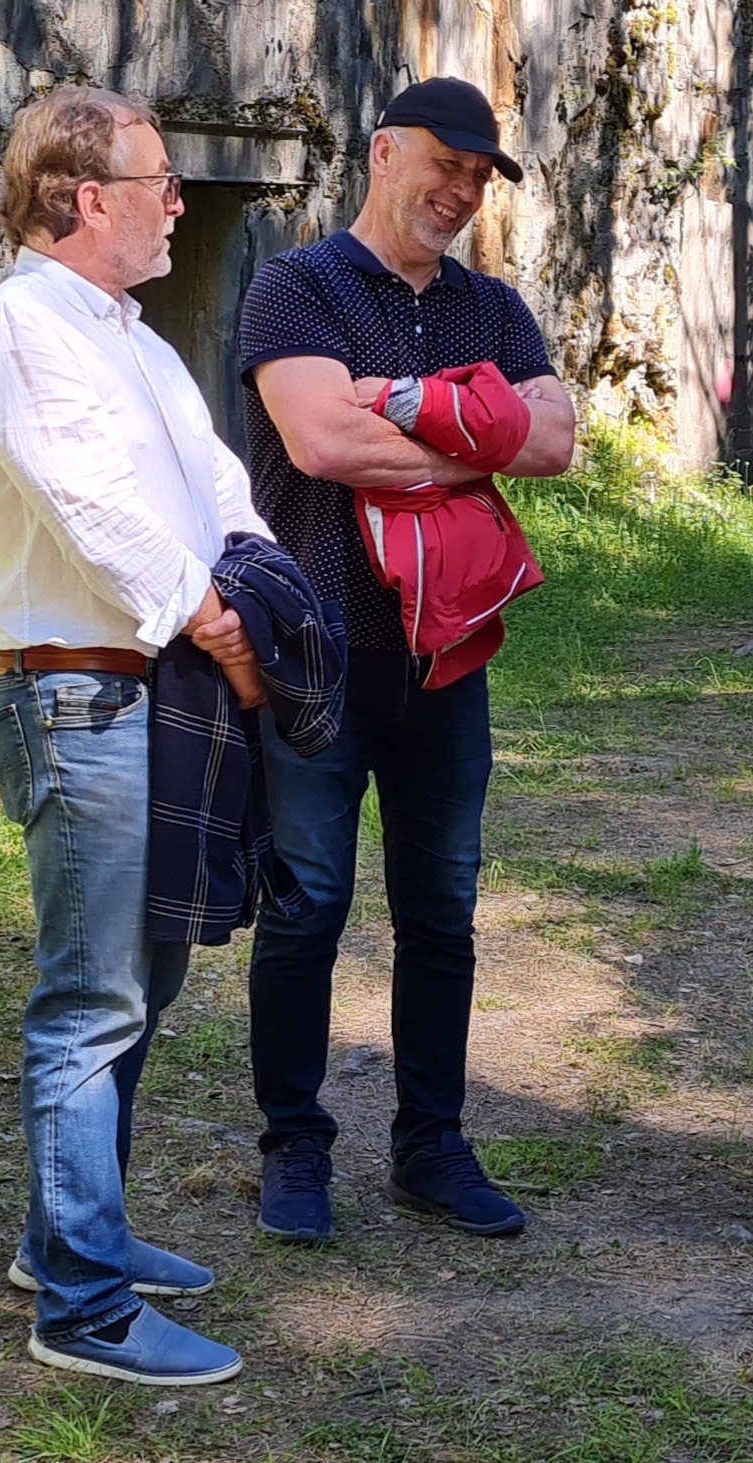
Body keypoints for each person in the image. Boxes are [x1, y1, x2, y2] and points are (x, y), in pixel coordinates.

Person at [0, 86, 263, 1387]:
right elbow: (97, 511)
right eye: (161, 181)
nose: (179, 200)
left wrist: (255, 587)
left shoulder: (122, 333)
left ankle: (69, 1233)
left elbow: (209, 486)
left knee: (152, 976)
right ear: (89, 199)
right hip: (77, 697)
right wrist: (221, 621)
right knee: (90, 1000)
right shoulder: (21, 328)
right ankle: (80, 1304)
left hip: (151, 690)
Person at [235, 76, 575, 1244]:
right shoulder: (297, 286)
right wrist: (468, 438)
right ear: (382, 152)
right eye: (446, 163)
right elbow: (321, 438)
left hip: (446, 657)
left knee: (441, 908)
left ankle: (430, 1147)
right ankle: (292, 1148)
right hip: (316, 650)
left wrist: (409, 418)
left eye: (481, 175)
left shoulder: (493, 307)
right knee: (305, 907)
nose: (462, 190)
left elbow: (555, 441)